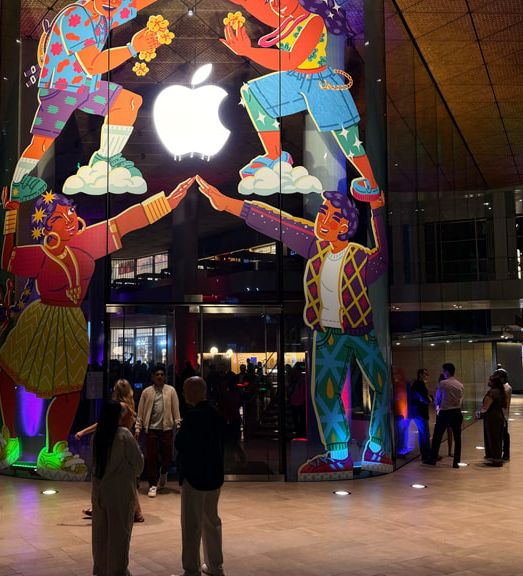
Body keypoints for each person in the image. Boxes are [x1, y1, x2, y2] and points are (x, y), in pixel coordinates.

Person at [0, 181, 193, 481]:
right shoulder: (40, 254)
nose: (71, 219)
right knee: (7, 372)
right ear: (48, 226)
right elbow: (8, 259)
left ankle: (55, 450)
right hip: (39, 318)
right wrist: (11, 215)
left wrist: (167, 201)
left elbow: (126, 221)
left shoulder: (88, 241)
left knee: (69, 390)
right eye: (62, 217)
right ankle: (8, 436)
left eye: (71, 213)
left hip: (71, 322)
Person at [197, 177, 391, 479]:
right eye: (322, 212)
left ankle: (377, 447)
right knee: (324, 394)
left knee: (381, 384)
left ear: (345, 227)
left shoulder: (359, 257)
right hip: (327, 334)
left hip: (360, 331)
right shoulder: (314, 246)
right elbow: (277, 222)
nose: (323, 220)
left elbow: (381, 258)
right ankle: (339, 455)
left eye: (332, 217)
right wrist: (229, 204)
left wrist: (377, 209)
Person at [7, 0, 197, 201]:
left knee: (127, 102)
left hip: (87, 87)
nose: (116, 1)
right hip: (61, 89)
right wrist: (132, 47)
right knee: (42, 142)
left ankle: (106, 159)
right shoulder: (75, 17)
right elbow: (93, 64)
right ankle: (18, 183)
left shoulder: (106, 12)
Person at [193, 0, 378, 201]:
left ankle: (372, 184)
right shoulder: (282, 17)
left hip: (321, 83)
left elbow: (293, 59)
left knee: (347, 138)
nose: (273, 2)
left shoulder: (313, 22)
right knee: (251, 93)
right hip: (295, 80)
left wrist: (247, 51)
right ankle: (273, 155)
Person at [169, 376, 226, 576]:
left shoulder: (192, 417)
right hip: (214, 476)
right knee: (212, 520)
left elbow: (181, 444)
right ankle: (215, 566)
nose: (183, 394)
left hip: (194, 476)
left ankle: (191, 573)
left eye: (185, 390)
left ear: (193, 392)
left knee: (191, 524)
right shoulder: (216, 414)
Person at [90, 401, 144, 576]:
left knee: (100, 532)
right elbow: (138, 465)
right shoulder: (124, 435)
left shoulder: (98, 436)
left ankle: (101, 571)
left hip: (99, 491)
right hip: (121, 492)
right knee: (120, 534)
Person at [77, 379, 144, 522]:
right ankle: (137, 513)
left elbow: (102, 423)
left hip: (119, 443)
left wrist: (83, 431)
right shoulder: (129, 406)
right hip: (128, 442)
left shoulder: (120, 407)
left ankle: (130, 512)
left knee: (110, 475)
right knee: (131, 478)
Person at [135, 363, 182, 497]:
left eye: (162, 375)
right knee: (151, 457)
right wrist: (138, 428)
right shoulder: (147, 392)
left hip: (166, 429)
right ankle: (152, 484)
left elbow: (175, 409)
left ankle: (164, 472)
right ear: (152, 377)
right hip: (151, 430)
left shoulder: (171, 391)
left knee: (167, 456)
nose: (160, 377)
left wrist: (178, 425)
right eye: (157, 375)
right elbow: (141, 412)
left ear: (165, 376)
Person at [423, 363, 464, 468]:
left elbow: (438, 398)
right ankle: (456, 462)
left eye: (443, 371)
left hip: (445, 412)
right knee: (457, 437)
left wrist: (438, 408)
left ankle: (433, 458)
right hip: (456, 412)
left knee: (437, 436)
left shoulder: (443, 384)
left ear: (447, 372)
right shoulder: (460, 385)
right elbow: (460, 399)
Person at [477, 374, 507, 467]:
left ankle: (496, 459)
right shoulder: (500, 391)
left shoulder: (491, 393)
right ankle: (497, 457)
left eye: (490, 381)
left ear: (493, 383)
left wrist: (479, 413)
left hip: (492, 418)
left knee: (492, 437)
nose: (488, 382)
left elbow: (485, 407)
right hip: (499, 416)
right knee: (497, 438)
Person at [409, 369, 432, 458]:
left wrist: (429, 398)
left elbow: (428, 398)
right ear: (421, 375)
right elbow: (426, 399)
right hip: (420, 413)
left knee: (423, 433)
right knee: (424, 434)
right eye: (425, 374)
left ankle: (425, 454)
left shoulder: (419, 385)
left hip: (419, 412)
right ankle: (426, 454)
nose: (427, 376)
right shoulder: (419, 385)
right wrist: (428, 398)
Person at [494, 368, 512, 461]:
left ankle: (506, 453)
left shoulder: (506, 388)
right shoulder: (500, 387)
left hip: (503, 414)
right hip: (500, 414)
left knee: (504, 435)